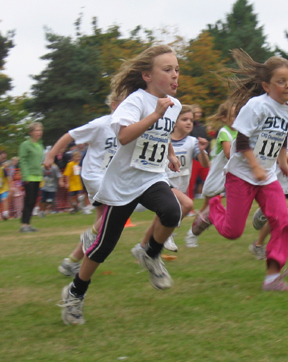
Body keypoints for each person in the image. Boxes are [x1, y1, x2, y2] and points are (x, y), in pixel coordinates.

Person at [58, 44, 182, 325]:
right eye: (167, 70)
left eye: (177, 69)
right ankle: (75, 292)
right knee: (103, 246)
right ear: (147, 75)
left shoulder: (175, 106)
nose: (175, 75)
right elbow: (125, 136)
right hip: (123, 183)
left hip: (151, 176)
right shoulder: (135, 102)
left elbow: (161, 137)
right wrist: (154, 115)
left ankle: (149, 253)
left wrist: (171, 155)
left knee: (172, 212)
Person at [192, 49, 288, 291]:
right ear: (266, 85)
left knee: (284, 221)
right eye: (281, 81)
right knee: (233, 232)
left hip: (266, 176)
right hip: (242, 174)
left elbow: (282, 138)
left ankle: (272, 278)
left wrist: (282, 162)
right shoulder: (257, 106)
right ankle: (212, 211)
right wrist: (254, 167)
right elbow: (242, 140)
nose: (287, 86)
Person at [44, 91, 124, 277]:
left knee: (103, 223)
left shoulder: (129, 127)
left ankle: (71, 262)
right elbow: (69, 135)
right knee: (117, 213)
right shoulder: (101, 124)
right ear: (114, 105)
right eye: (126, 103)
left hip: (109, 178)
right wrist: (50, 154)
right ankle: (85, 243)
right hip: (95, 176)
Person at [130, 104, 209, 254]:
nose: (188, 123)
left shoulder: (192, 142)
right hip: (163, 183)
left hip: (180, 186)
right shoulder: (164, 140)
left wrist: (203, 151)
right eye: (184, 119)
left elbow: (204, 163)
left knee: (159, 218)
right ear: (174, 122)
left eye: (191, 120)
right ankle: (168, 233)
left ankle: (141, 247)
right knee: (187, 204)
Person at [186, 101, 237, 247]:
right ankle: (192, 233)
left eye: (237, 115)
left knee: (216, 207)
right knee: (206, 207)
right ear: (223, 118)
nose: (236, 118)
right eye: (232, 116)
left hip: (231, 176)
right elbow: (228, 154)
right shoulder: (224, 132)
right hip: (217, 176)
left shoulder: (239, 132)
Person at [249, 155, 288, 260]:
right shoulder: (282, 139)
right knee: (276, 219)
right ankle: (258, 245)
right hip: (280, 183)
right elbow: (280, 159)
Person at [18, 122, 44, 232]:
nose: (39, 132)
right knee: (28, 201)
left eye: (40, 130)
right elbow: (22, 160)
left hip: (37, 176)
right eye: (36, 130)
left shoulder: (40, 145)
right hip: (29, 176)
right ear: (31, 132)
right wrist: (25, 175)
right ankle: (24, 224)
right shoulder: (25, 145)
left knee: (33, 201)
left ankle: (28, 224)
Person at [187, 104, 210, 207]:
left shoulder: (201, 127)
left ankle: (212, 205)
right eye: (196, 112)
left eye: (199, 112)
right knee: (190, 184)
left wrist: (207, 154)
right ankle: (189, 207)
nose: (198, 114)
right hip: (192, 159)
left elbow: (207, 141)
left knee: (210, 180)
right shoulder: (188, 127)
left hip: (202, 156)